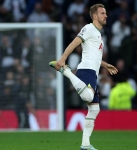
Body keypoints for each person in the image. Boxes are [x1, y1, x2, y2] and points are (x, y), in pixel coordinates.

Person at [49, 4, 118, 150]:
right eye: (102, 13)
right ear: (94, 16)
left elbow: (95, 56)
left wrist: (105, 65)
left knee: (94, 109)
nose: (106, 15)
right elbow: (74, 43)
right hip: (85, 70)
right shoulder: (88, 28)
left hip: (93, 72)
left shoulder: (99, 34)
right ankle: (66, 72)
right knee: (88, 97)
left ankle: (85, 144)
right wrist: (62, 59)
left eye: (105, 13)